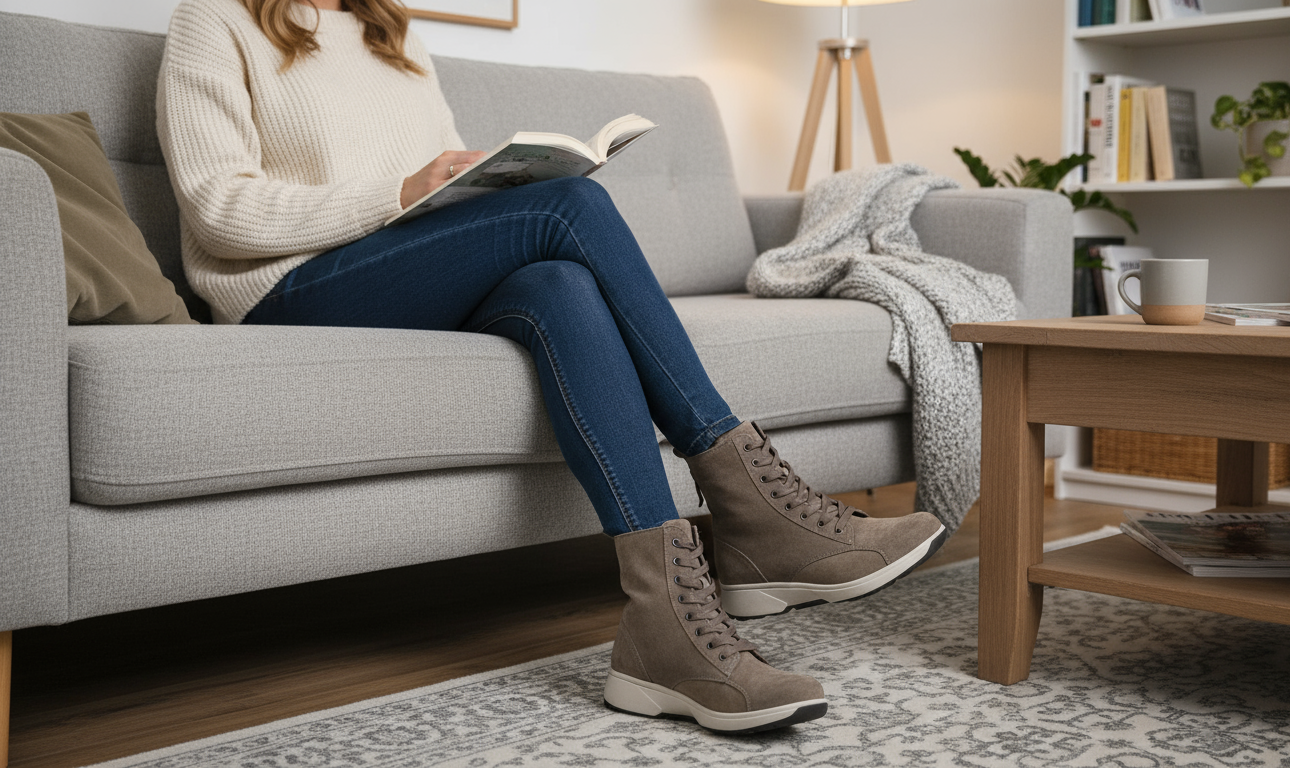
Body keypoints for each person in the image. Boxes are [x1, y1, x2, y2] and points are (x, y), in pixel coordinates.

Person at [156, 0, 946, 734]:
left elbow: (434, 199)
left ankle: (661, 635)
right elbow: (215, 205)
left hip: (399, 267)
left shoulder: (390, 31)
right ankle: (751, 510)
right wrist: (398, 190)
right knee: (569, 208)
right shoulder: (215, 21)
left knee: (560, 286)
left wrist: (461, 189)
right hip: (287, 286)